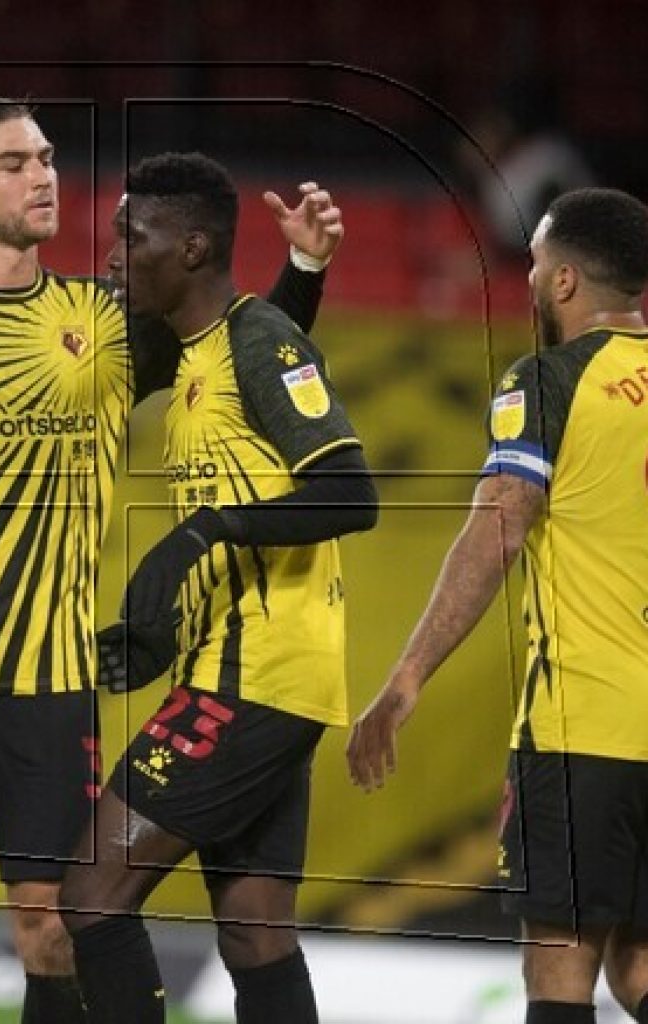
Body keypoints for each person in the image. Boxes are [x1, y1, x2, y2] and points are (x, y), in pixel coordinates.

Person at [0, 95, 344, 1024]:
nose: (42, 176)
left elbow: (240, 352)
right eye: (14, 163)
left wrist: (306, 269)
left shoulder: (107, 318)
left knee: (52, 928)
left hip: (53, 681)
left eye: (44, 157)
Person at [58, 152, 378, 1024]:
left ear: (193, 247)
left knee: (91, 893)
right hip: (258, 676)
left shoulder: (255, 339)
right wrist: (305, 269)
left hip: (254, 678)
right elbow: (261, 352)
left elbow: (351, 493)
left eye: (133, 236)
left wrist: (202, 532)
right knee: (254, 932)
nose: (114, 254)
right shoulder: (212, 348)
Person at [346, 187, 648, 1024]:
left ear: (564, 282)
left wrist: (406, 677)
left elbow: (498, 531)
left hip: (585, 727)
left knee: (560, 973)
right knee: (637, 967)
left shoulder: (548, 382)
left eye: (536, 267)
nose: (530, 283)